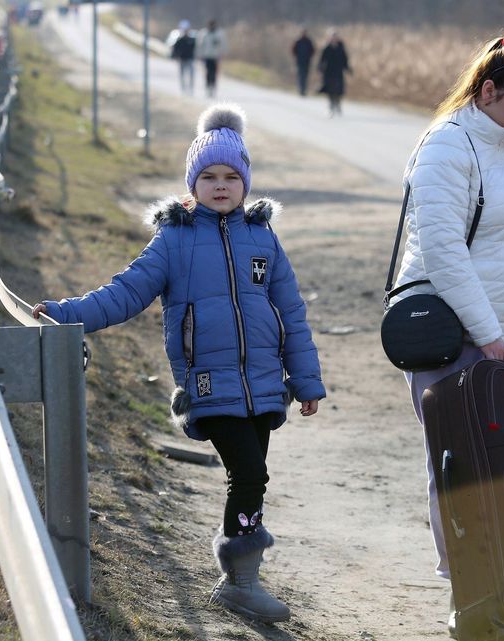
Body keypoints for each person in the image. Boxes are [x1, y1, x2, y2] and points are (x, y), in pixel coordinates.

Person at [31, 104, 325, 623]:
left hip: (262, 383)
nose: (220, 185)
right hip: (209, 382)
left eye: (231, 176)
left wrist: (304, 380)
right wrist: (64, 314)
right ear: (192, 184)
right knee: (250, 471)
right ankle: (243, 582)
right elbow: (124, 294)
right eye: (208, 176)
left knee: (252, 477)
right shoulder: (175, 240)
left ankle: (237, 580)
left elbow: (291, 312)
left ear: (246, 182)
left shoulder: (264, 239)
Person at [390, 36, 504, 627]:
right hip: (454, 337)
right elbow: (444, 254)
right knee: (459, 471)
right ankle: (469, 598)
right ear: (488, 89)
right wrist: (488, 336)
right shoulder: (447, 148)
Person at [317, 30, 350, 117]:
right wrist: (320, 68)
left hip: (338, 72)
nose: (334, 39)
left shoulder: (341, 48)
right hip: (329, 72)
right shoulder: (327, 48)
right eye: (332, 37)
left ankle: (338, 104)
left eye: (335, 37)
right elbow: (322, 60)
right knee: (330, 90)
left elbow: (345, 60)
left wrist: (348, 68)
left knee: (338, 90)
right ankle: (331, 106)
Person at [195, 19, 227, 98]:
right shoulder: (204, 33)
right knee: (207, 73)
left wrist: (223, 53)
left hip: (216, 56)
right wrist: (199, 55)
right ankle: (208, 87)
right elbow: (200, 45)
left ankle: (213, 87)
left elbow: (223, 44)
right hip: (206, 56)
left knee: (214, 73)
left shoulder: (219, 33)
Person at [168, 19, 195, 95]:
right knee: (182, 75)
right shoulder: (179, 39)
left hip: (190, 59)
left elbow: (195, 49)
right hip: (182, 59)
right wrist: (175, 57)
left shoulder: (192, 39)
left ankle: (190, 89)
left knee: (191, 75)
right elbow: (175, 49)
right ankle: (183, 89)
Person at [291, 28, 314, 96]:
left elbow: (313, 50)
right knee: (300, 75)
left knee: (305, 76)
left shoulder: (309, 41)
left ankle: (304, 89)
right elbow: (293, 50)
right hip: (299, 61)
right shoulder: (298, 41)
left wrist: (309, 57)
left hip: (307, 61)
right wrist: (296, 57)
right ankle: (300, 89)